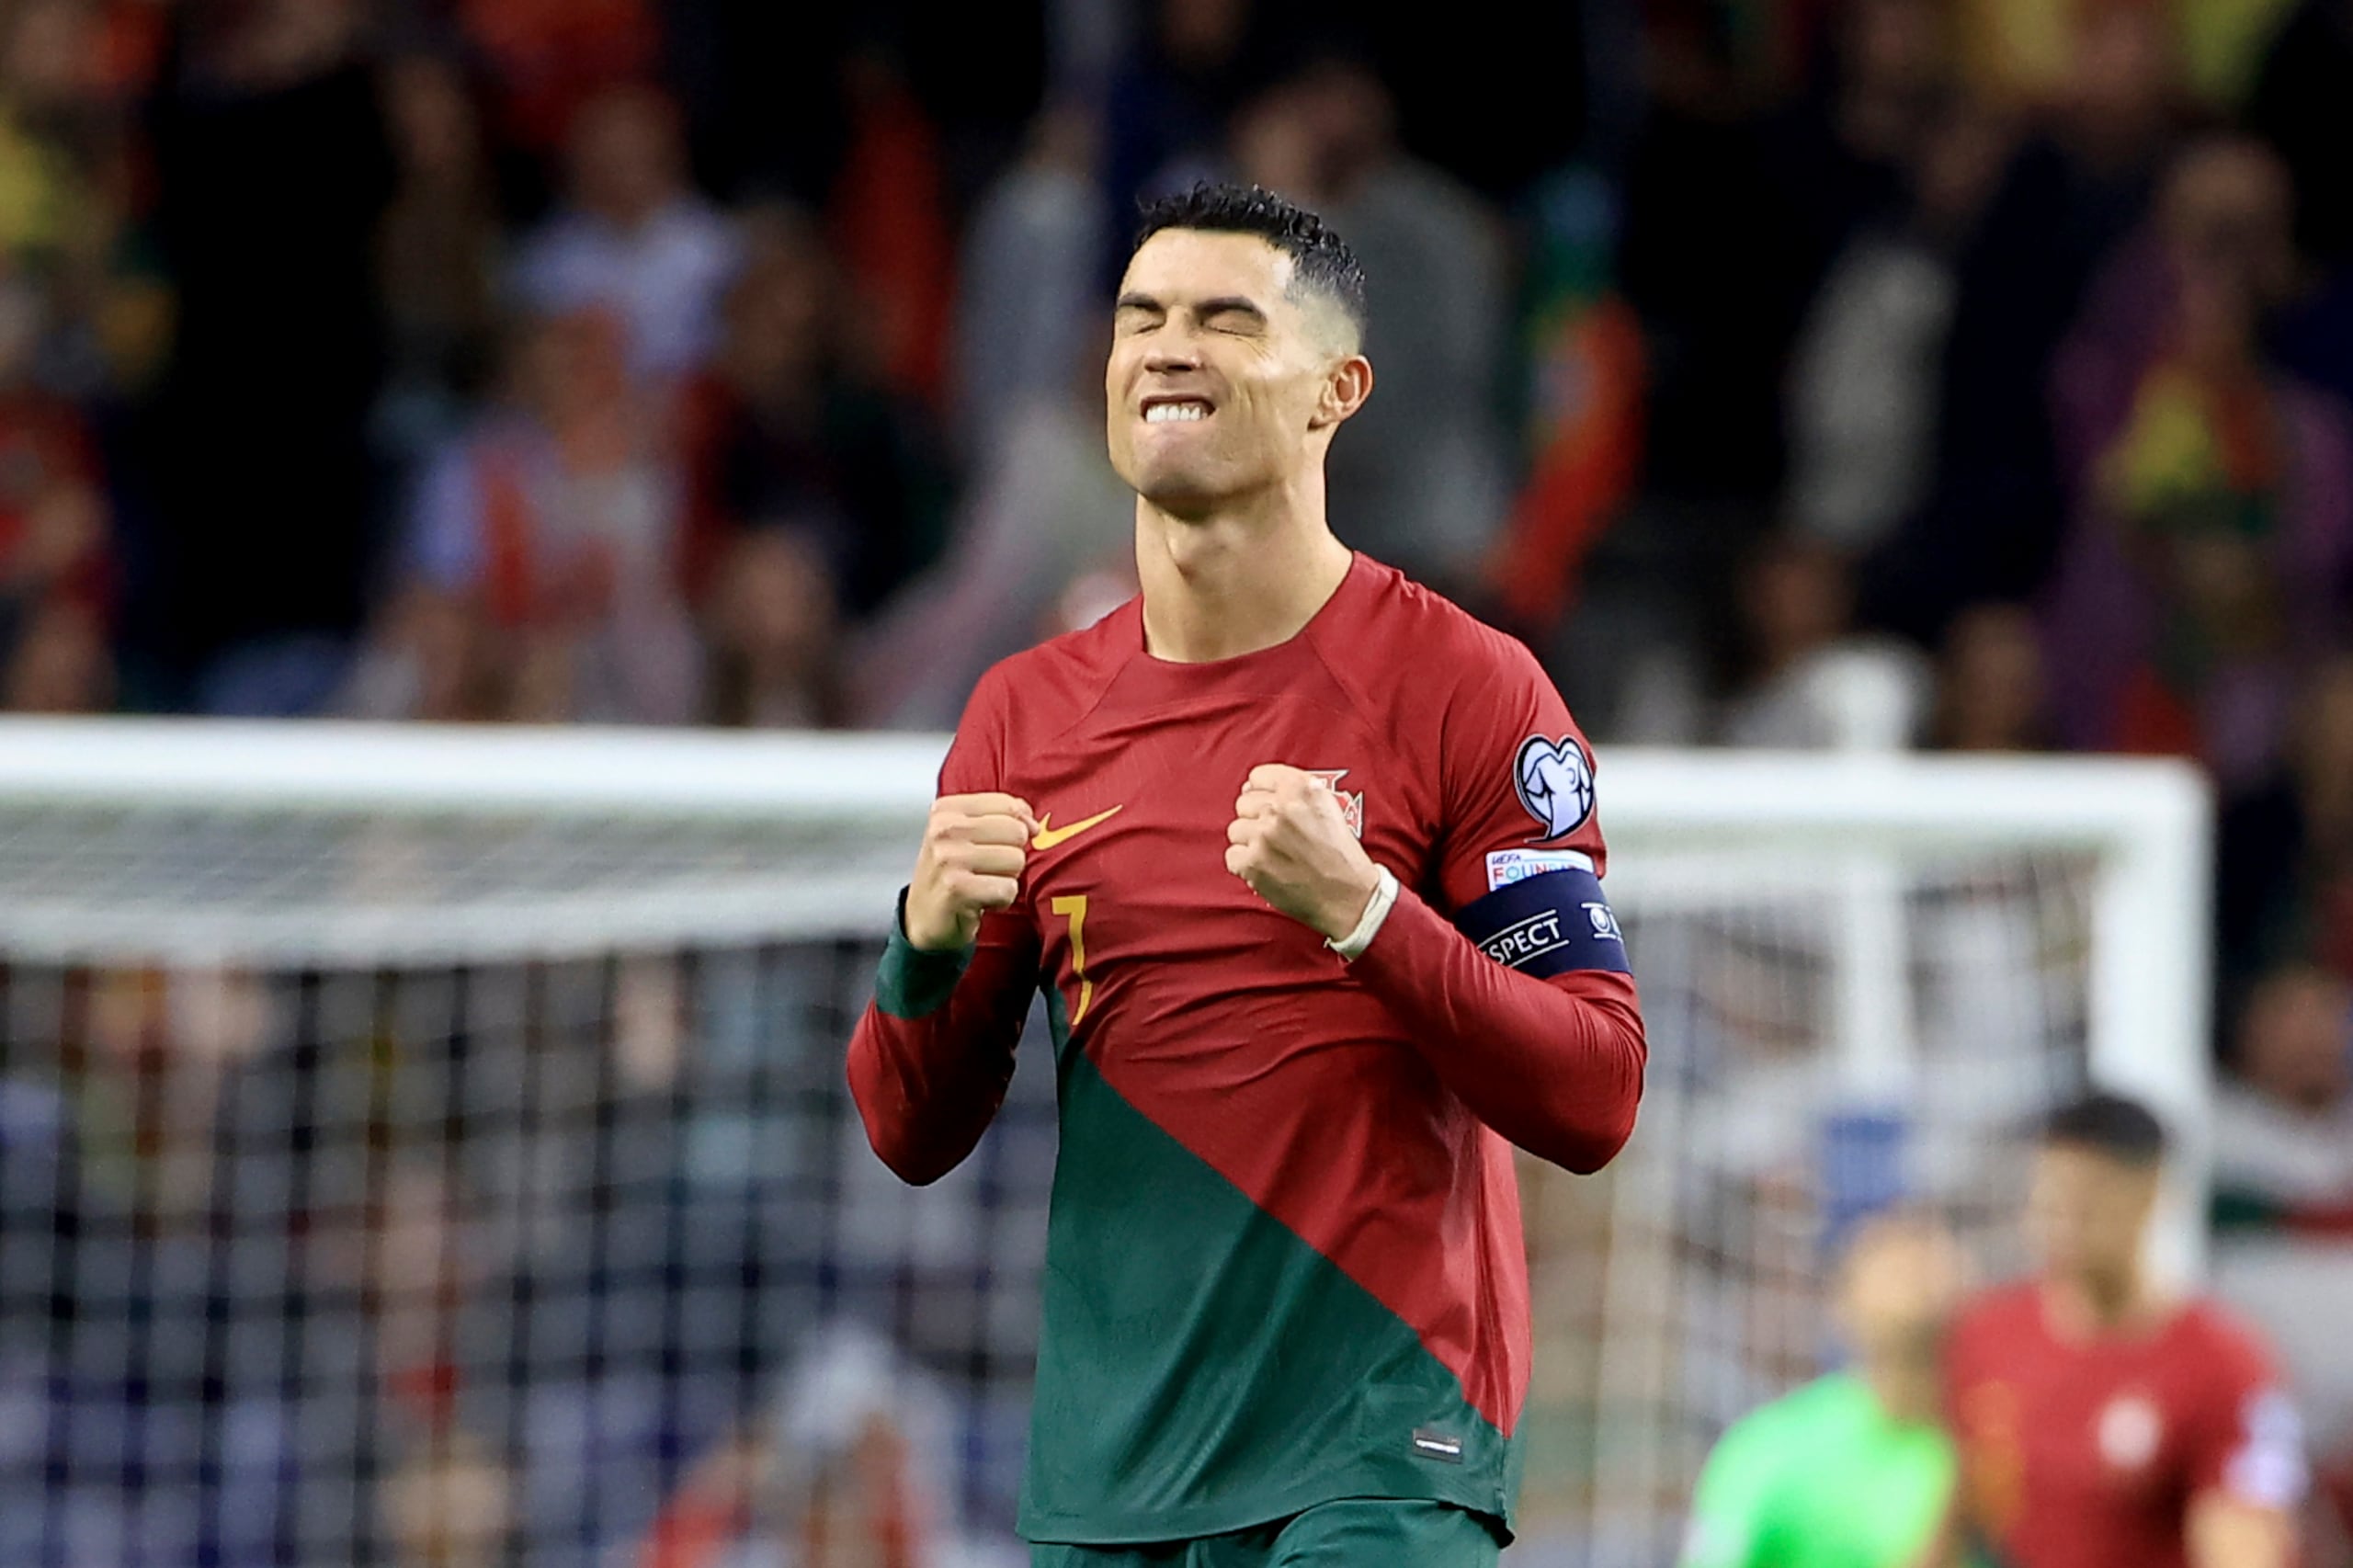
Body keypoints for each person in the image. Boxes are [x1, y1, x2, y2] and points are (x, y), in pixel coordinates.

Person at [845, 181, 1648, 1565]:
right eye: (1140, 317)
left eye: (1225, 319)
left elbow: (1595, 1089)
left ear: (1338, 390)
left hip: (1378, 1459)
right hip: (1109, 1482)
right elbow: (911, 1134)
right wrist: (920, 945)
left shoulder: (1466, 687)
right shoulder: (1022, 717)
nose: (1169, 347)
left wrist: (1370, 915)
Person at [1944, 1092, 2308, 1568]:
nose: (2064, 1221)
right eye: (2052, 1198)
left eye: (2088, 1200)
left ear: (2153, 1194)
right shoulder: (1987, 1336)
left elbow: (2244, 1538)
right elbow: (1958, 1503)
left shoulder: (2222, 1360)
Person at [1679, 1216, 1969, 1568]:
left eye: (1926, 1261)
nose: (1917, 1278)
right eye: (1897, 1265)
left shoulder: (1993, 1442)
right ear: (1843, 1303)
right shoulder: (1774, 1447)